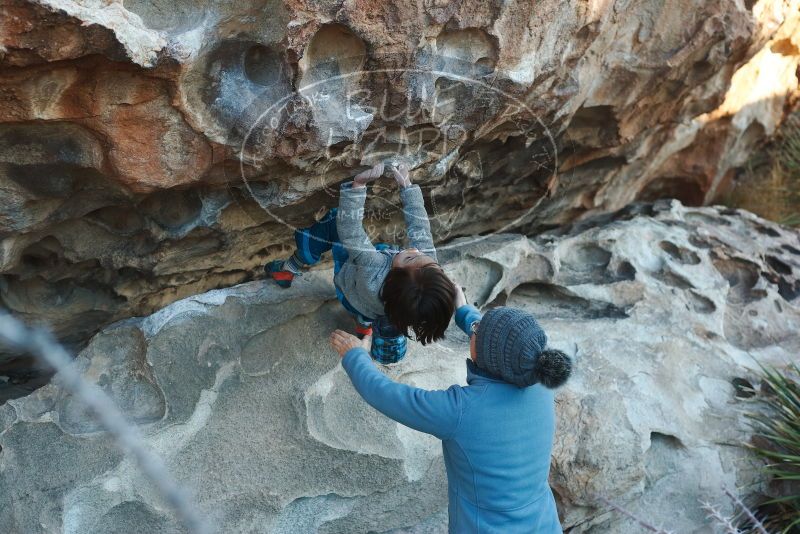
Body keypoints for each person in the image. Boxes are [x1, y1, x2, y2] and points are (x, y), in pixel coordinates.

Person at [328, 286, 572, 533]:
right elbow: (503, 345)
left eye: (477, 331)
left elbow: (386, 394)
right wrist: (463, 309)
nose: (474, 330)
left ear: (486, 355)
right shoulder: (541, 382)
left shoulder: (461, 410)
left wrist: (355, 355)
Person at [267, 162, 456, 363]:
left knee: (333, 222)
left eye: (410, 257)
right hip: (374, 305)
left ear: (392, 278)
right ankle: (366, 325)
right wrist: (407, 187)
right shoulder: (418, 284)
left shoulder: (373, 266)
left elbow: (350, 231)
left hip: (350, 288)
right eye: (421, 255)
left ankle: (292, 266)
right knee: (370, 311)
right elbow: (420, 229)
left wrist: (358, 185)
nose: (414, 250)